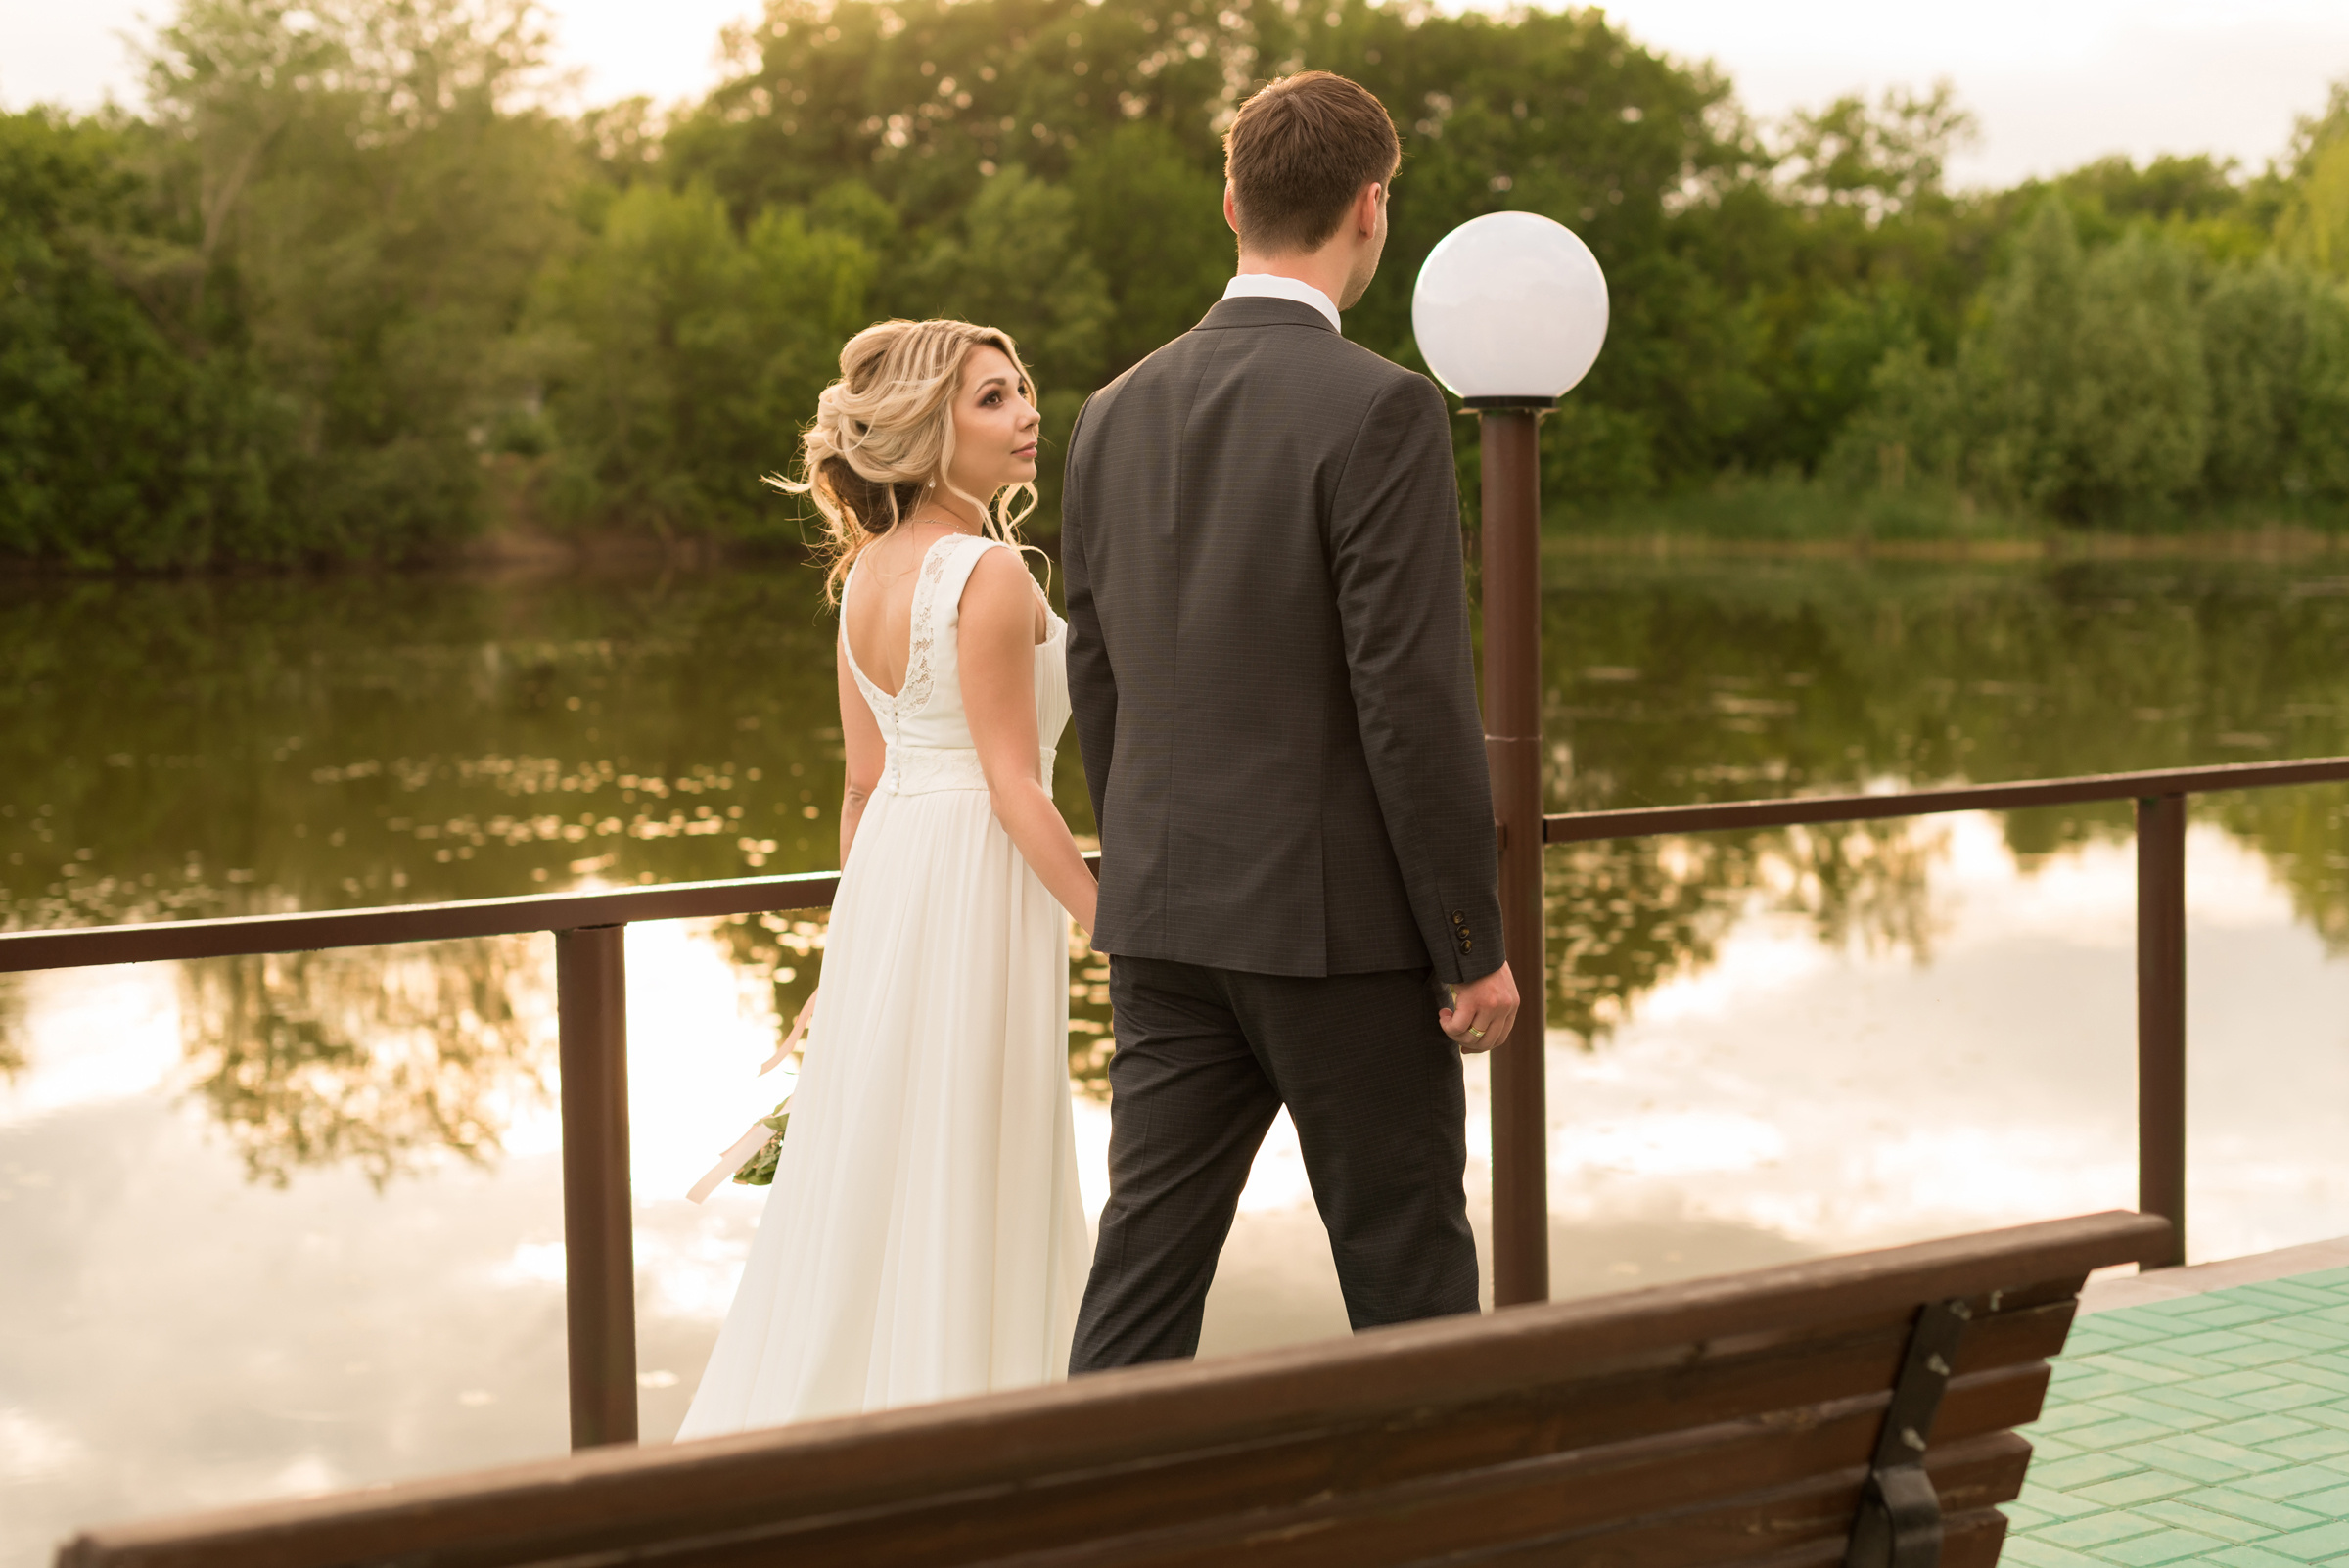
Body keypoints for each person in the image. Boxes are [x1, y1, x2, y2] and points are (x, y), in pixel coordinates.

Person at [1061, 69, 1521, 1371]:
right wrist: (1471, 939)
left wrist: (1144, 859)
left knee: (1142, 1276)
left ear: (1231, 202)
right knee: (1410, 1280)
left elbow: (1100, 680)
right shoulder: (1380, 406)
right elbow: (1413, 699)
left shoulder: (1110, 412)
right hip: (1344, 943)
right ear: (1371, 208)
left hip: (1165, 918)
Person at [676, 319, 1096, 1434]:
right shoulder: (989, 570)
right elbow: (1016, 787)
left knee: (898, 1154)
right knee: (969, 1151)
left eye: (1023, 394)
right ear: (925, 431)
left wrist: (848, 944)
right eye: (995, 400)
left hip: (902, 879)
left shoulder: (864, 578)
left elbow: (864, 785)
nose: (1027, 416)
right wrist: (1117, 918)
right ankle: (983, 1425)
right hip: (974, 878)